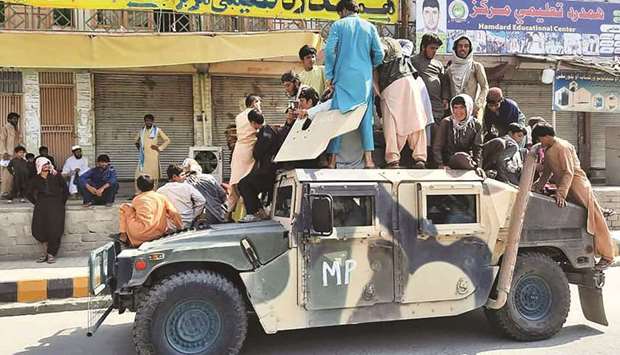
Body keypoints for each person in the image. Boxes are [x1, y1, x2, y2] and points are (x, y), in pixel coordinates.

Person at [532, 123, 615, 270]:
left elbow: (568, 172)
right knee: (581, 219)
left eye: (540, 138)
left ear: (546, 136)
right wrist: (536, 187)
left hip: (577, 185)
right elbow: (546, 172)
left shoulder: (561, 147)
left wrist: (561, 193)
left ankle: (608, 256)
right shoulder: (550, 149)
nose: (540, 142)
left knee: (594, 217)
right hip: (567, 186)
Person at [324, 0, 384, 168]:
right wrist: (368, 65)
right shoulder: (369, 27)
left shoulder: (338, 25)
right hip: (364, 80)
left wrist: (329, 75)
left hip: (342, 79)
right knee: (365, 119)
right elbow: (380, 53)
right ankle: (369, 160)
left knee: (337, 119)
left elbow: (329, 51)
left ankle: (332, 160)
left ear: (343, 10)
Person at [375, 37, 428, 169]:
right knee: (415, 117)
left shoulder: (377, 46)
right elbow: (409, 42)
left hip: (390, 85)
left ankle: (393, 159)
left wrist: (379, 94)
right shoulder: (402, 49)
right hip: (410, 81)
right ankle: (420, 157)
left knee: (391, 121)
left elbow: (380, 55)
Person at [238, 109, 294, 222]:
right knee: (247, 184)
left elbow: (257, 153)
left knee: (243, 184)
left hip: (268, 173)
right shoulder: (272, 129)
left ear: (253, 123)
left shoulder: (265, 132)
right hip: (274, 170)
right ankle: (259, 210)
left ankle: (253, 212)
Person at [119, 174, 183, 248]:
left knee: (124, 207)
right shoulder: (162, 197)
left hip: (138, 234)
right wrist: (180, 228)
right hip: (157, 234)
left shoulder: (137, 199)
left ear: (138, 187)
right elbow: (174, 213)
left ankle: (123, 235)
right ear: (154, 185)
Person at [26, 157, 68, 264]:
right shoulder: (36, 178)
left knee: (55, 229)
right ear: (39, 166)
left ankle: (51, 254)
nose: (46, 166)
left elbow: (65, 189)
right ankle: (45, 253)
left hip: (56, 206)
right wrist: (36, 203)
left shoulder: (56, 175)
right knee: (40, 228)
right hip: (41, 206)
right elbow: (28, 193)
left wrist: (61, 202)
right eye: (44, 164)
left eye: (48, 164)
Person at [229, 94, 262, 214]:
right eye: (258, 102)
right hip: (250, 149)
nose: (260, 104)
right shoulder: (255, 115)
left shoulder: (238, 117)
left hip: (239, 150)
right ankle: (252, 210)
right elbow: (261, 129)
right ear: (254, 103)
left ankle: (229, 210)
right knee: (247, 182)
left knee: (236, 181)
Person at [444, 35, 489, 119]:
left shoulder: (476, 67)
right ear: (455, 48)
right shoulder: (449, 70)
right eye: (460, 46)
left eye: (466, 46)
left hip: (471, 112)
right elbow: (446, 89)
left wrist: (478, 104)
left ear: (470, 49)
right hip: (455, 112)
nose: (463, 48)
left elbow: (485, 87)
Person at [433, 94, 483, 169]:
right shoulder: (446, 122)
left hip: (469, 159)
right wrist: (440, 164)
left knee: (498, 143)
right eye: (455, 108)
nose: (458, 111)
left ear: (468, 108)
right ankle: (473, 168)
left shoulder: (476, 124)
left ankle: (476, 168)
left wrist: (478, 166)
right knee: (460, 157)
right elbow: (437, 147)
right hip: (452, 159)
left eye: (462, 107)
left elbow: (478, 147)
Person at [412, 33, 447, 125]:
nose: (434, 51)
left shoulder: (438, 64)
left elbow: (444, 83)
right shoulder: (412, 62)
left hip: (436, 109)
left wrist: (445, 98)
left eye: (436, 48)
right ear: (423, 47)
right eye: (432, 48)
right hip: (419, 108)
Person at [182, 158, 229, 225]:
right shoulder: (209, 178)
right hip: (216, 213)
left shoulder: (185, 183)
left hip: (196, 216)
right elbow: (222, 194)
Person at [158, 165, 206, 229]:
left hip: (169, 225)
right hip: (187, 223)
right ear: (174, 177)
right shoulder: (187, 187)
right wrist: (193, 215)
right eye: (182, 175)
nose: (185, 177)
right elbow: (202, 201)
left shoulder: (160, 191)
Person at [134, 114, 170, 192]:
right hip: (143, 157)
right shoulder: (142, 131)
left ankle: (153, 192)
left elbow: (167, 140)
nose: (148, 122)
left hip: (153, 156)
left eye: (150, 121)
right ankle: (138, 192)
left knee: (154, 175)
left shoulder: (157, 130)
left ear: (153, 121)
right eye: (147, 121)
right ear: (145, 121)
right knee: (138, 175)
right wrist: (140, 149)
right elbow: (135, 141)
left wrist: (159, 148)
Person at [1, 112, 23, 198]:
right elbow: (1, 140)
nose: (16, 120)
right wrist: (4, 152)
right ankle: (5, 192)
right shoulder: (5, 128)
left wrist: (22, 152)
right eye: (14, 118)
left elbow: (20, 142)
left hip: (16, 155)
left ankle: (13, 192)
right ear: (9, 119)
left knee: (16, 174)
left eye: (17, 118)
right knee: (7, 174)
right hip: (7, 155)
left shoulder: (17, 129)